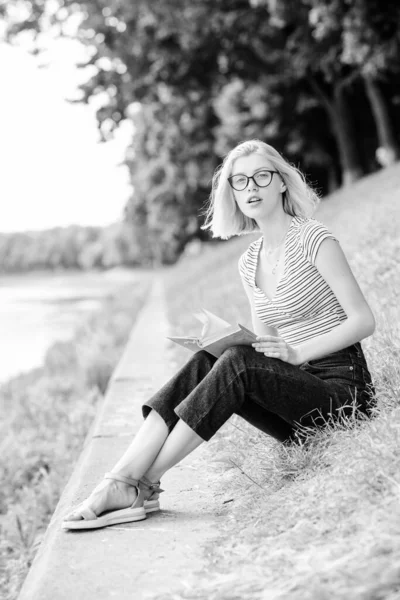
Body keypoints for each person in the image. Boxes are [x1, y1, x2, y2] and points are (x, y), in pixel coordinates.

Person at [63, 139, 376, 530]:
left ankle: (136, 485)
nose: (251, 188)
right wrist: (231, 346)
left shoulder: (314, 238)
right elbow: (263, 349)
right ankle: (124, 477)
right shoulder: (249, 263)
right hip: (295, 408)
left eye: (262, 176)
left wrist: (297, 352)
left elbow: (363, 321)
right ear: (232, 194)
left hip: (341, 396)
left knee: (239, 365)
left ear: (281, 182)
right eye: (240, 181)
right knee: (206, 361)